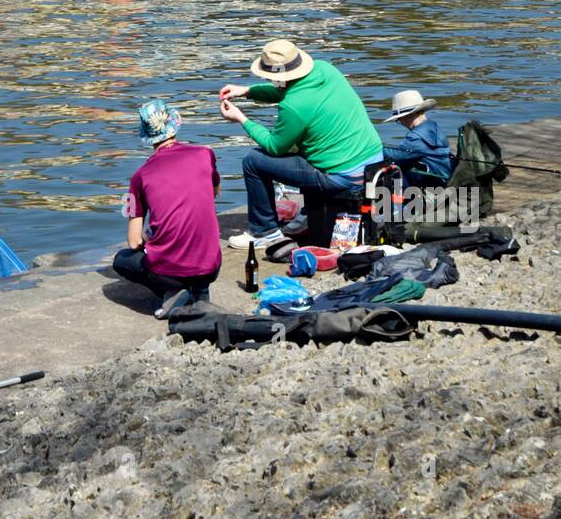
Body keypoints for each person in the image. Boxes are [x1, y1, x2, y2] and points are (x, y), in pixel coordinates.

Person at [220, 38, 383, 248]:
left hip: (343, 178)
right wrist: (247, 91)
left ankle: (264, 232)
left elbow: (275, 146)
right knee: (306, 144)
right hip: (373, 162)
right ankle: (307, 215)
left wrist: (242, 119)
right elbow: (288, 90)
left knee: (253, 161)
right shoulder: (325, 70)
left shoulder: (293, 106)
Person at [112, 99, 222, 319]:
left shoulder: (139, 176)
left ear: (145, 134)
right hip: (211, 267)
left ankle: (171, 291)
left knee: (121, 260)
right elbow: (214, 192)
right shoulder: (205, 154)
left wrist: (145, 230)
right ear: (174, 124)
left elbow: (134, 241)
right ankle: (199, 289)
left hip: (168, 272)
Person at [383, 90, 453, 184]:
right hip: (446, 175)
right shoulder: (432, 127)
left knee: (394, 172)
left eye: (399, 119)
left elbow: (397, 156)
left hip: (440, 182)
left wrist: (373, 147)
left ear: (408, 116)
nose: (401, 123)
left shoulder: (417, 137)